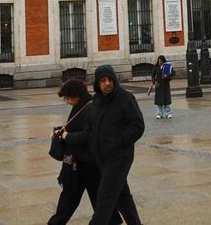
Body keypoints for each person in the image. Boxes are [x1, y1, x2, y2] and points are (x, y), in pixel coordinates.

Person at [65, 65, 144, 225]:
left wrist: (118, 141)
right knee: (122, 196)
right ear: (97, 83)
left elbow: (137, 126)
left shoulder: (125, 98)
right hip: (101, 158)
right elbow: (89, 132)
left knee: (105, 198)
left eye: (110, 80)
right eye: (103, 80)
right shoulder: (96, 102)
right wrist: (67, 137)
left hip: (120, 156)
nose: (107, 83)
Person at [47, 78, 120, 225]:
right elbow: (76, 126)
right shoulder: (80, 106)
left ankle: (112, 221)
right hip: (77, 162)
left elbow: (88, 135)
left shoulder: (92, 108)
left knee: (98, 198)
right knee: (71, 197)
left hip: (90, 163)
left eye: (67, 97)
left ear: (76, 94)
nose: (66, 101)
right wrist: (60, 131)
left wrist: (66, 136)